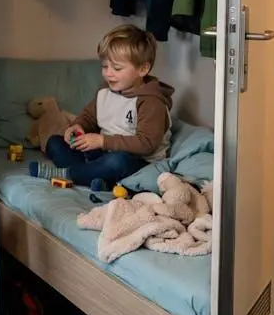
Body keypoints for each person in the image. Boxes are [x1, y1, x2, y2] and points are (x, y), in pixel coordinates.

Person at [30, 24, 175, 191]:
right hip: (103, 153)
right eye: (105, 66)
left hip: (138, 162)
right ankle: (97, 178)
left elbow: (146, 143)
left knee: (117, 161)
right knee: (55, 142)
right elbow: (89, 117)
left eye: (117, 68)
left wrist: (102, 141)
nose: (108, 73)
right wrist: (78, 126)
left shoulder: (151, 101)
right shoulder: (105, 91)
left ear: (143, 69)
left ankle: (70, 174)